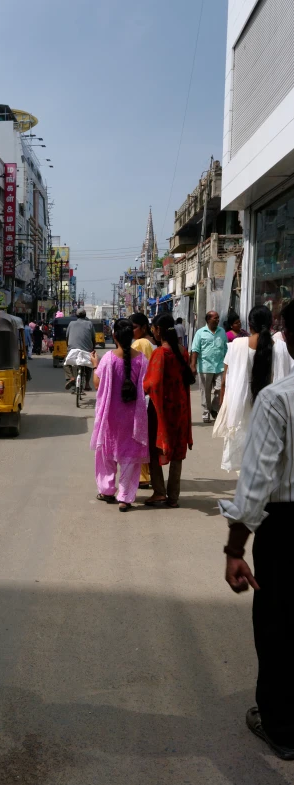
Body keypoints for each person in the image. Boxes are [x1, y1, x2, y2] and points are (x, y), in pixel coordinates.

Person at [219, 299, 294, 761]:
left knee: (280, 625)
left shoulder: (279, 400)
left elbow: (257, 483)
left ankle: (282, 727)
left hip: (286, 530)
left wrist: (234, 548)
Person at [215, 305, 292, 473]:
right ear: (271, 324)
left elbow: (225, 379)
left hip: (242, 405)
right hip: (271, 407)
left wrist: (224, 405)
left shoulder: (237, 344)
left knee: (244, 453)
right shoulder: (281, 348)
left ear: (249, 324)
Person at [90, 318, 149, 512]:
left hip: (111, 417)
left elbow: (97, 384)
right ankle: (125, 497)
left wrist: (94, 366)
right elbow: (146, 387)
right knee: (129, 457)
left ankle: (107, 490)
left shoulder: (107, 358)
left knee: (107, 454)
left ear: (114, 336)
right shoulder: (141, 359)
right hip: (133, 419)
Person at [144, 312, 193, 508]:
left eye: (154, 329)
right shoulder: (182, 351)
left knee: (156, 448)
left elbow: (152, 384)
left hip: (160, 408)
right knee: (177, 450)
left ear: (158, 330)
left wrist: (143, 385)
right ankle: (173, 496)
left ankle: (159, 492)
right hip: (180, 406)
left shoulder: (160, 353)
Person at [130, 312, 155, 489]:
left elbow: (137, 371)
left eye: (134, 328)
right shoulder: (151, 343)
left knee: (139, 435)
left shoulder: (141, 343)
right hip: (150, 395)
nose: (132, 331)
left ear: (144, 327)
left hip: (141, 395)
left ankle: (142, 475)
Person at [190, 311, 228, 423]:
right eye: (215, 318)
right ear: (208, 320)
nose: (217, 320)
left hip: (220, 366)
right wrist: (193, 365)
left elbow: (226, 349)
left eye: (218, 318)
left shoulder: (222, 332)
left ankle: (214, 409)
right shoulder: (200, 333)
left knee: (220, 389)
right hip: (205, 367)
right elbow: (195, 350)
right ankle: (206, 412)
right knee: (205, 392)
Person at [65, 308, 96, 392]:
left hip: (72, 349)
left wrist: (68, 348)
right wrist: (93, 349)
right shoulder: (89, 323)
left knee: (66, 363)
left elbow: (67, 338)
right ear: (85, 315)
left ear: (76, 315)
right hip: (87, 350)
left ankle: (71, 377)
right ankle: (87, 384)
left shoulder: (71, 323)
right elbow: (93, 338)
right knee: (89, 365)